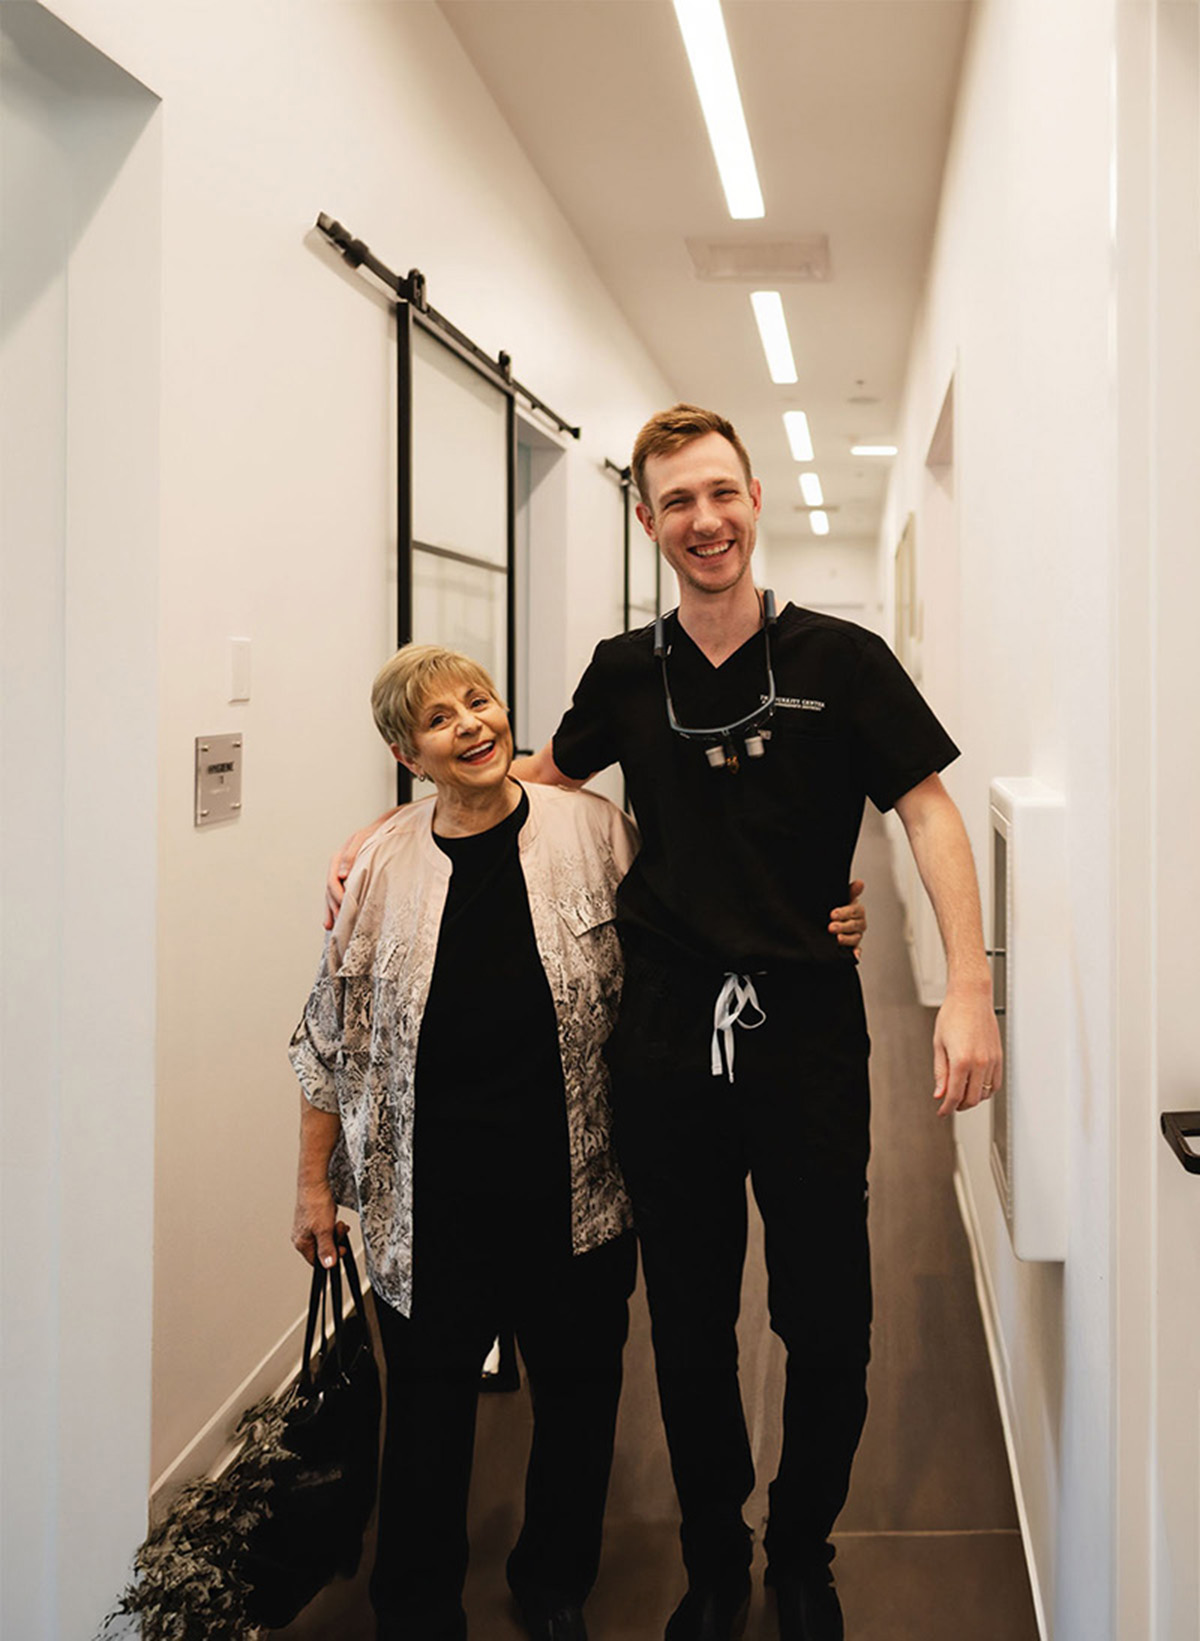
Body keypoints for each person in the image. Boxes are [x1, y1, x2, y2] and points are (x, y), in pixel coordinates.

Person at [326, 403, 972, 1641]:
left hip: (810, 1036)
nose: (704, 519)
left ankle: (802, 1551)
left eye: (721, 493)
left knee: (825, 1318)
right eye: (677, 502)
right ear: (649, 522)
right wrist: (386, 826)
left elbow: (928, 813)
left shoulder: (843, 661)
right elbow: (530, 776)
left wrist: (971, 990)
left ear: (754, 501)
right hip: (668, 1036)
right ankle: (714, 1556)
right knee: (686, 1322)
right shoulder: (629, 673)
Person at [290, 643, 641, 1641]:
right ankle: (417, 1602)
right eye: (440, 721)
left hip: (578, 1181)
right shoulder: (380, 867)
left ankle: (553, 1581)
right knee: (431, 1414)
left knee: (579, 1396)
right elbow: (331, 1035)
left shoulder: (595, 832)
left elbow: (683, 945)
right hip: (428, 1198)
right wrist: (315, 1188)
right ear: (411, 754)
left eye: (478, 702)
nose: (471, 727)